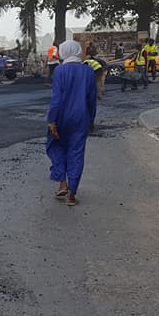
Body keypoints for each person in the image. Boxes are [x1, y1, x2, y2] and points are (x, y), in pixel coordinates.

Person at [47, 40, 97, 206]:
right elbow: (92, 99)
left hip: (61, 117)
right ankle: (71, 194)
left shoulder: (59, 71)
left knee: (57, 147)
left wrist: (51, 120)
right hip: (81, 117)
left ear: (63, 53)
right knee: (76, 153)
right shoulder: (89, 72)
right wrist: (91, 120)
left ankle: (62, 182)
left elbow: (56, 99)